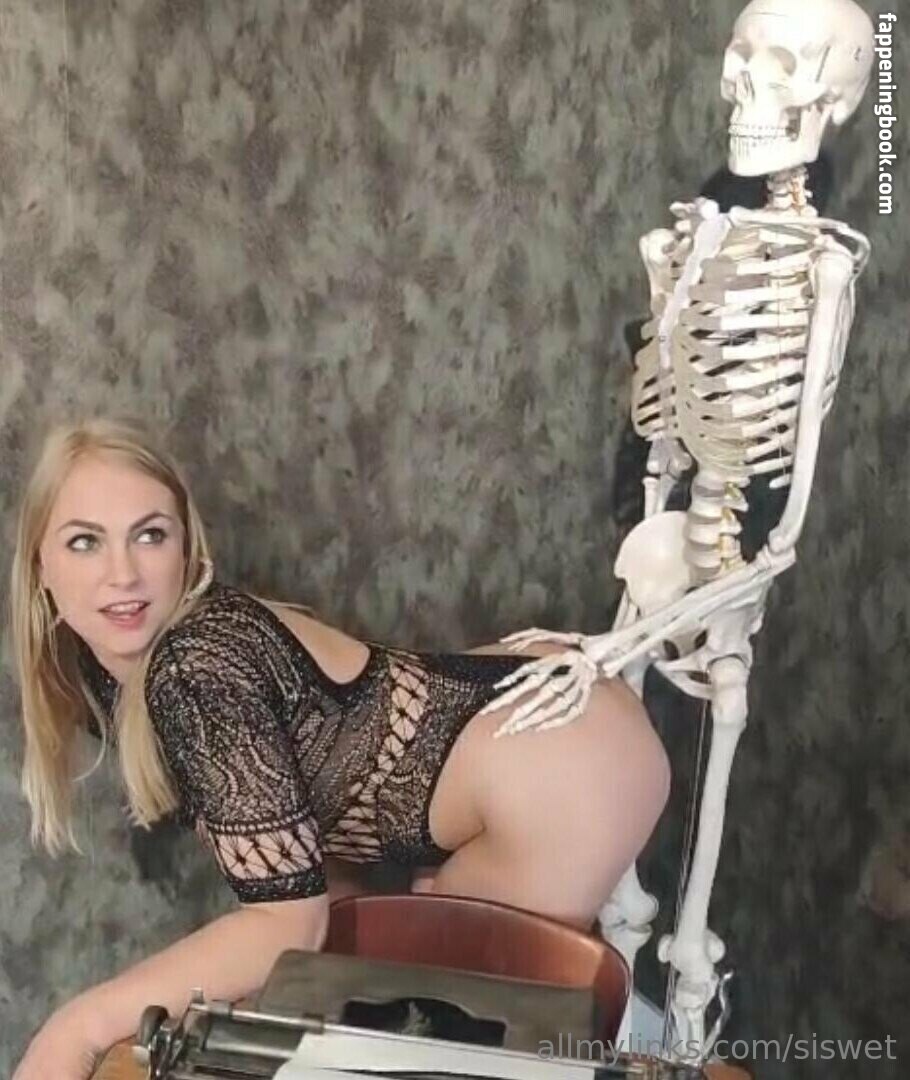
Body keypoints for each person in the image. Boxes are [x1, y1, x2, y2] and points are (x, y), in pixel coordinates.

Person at [10, 415, 671, 1079]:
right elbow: (307, 880)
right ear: (41, 562)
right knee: (378, 999)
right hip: (545, 720)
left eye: (149, 534)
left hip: (565, 772)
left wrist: (78, 1027)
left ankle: (647, 1044)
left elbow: (288, 923)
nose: (122, 574)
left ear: (185, 544)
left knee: (435, 1044)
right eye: (85, 542)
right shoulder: (101, 672)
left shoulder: (194, 665)